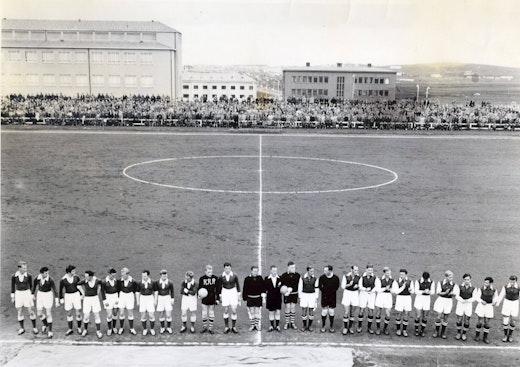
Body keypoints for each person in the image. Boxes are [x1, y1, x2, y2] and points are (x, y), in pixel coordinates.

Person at [11, 261, 38, 335]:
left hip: (27, 293)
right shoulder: (14, 276)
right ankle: (22, 328)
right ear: (19, 268)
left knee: (31, 311)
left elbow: (31, 286)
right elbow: (12, 287)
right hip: (18, 294)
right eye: (23, 268)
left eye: (26, 268)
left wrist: (32, 295)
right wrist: (13, 297)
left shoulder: (29, 275)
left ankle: (34, 327)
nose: (25, 269)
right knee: (19, 311)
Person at [32, 266, 59, 338]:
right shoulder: (37, 279)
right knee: (39, 313)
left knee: (48, 313)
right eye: (45, 273)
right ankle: (46, 324)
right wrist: (32, 295)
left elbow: (55, 290)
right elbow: (34, 287)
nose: (47, 274)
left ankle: (50, 331)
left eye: (48, 273)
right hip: (40, 295)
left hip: (48, 296)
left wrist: (56, 300)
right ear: (41, 273)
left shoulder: (50, 280)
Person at [433, 270, 458, 339]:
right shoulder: (440, 283)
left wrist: (451, 294)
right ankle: (436, 331)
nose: (451, 278)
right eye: (450, 277)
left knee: (446, 317)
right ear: (446, 277)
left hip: (448, 301)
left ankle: (443, 332)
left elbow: (455, 294)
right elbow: (438, 292)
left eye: (452, 277)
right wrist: (445, 293)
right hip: (441, 300)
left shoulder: (454, 284)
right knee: (439, 316)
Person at [78, 270, 103, 338]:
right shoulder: (84, 281)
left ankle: (98, 331)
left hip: (95, 299)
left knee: (96, 315)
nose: (85, 277)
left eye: (87, 276)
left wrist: (97, 293)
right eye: (85, 276)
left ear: (91, 276)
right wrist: (83, 293)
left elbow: (101, 285)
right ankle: (85, 330)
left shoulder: (97, 280)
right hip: (87, 299)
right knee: (86, 316)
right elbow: (78, 285)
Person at [59, 265, 83, 336]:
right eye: (73, 271)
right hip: (68, 296)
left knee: (78, 312)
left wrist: (81, 295)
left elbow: (79, 287)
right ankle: (70, 329)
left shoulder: (77, 277)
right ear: (69, 272)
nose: (75, 272)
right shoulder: (63, 280)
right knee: (69, 313)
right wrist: (61, 298)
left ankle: (79, 327)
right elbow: (60, 290)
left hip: (76, 295)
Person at [474, 276, 498, 344]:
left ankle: (485, 337)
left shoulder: (494, 289)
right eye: (485, 282)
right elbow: (477, 297)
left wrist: (494, 301)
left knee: (487, 323)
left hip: (489, 306)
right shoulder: (481, 289)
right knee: (480, 321)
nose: (485, 283)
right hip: (482, 306)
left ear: (490, 283)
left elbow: (496, 297)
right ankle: (477, 336)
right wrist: (481, 301)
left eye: (487, 283)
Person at [198, 265, 221, 334]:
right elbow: (199, 288)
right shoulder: (202, 279)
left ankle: (210, 328)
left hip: (212, 298)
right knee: (204, 313)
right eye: (208, 272)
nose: (210, 273)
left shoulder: (216, 278)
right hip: (204, 298)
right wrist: (199, 295)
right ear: (205, 272)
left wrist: (218, 299)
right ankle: (204, 327)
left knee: (211, 313)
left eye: (211, 272)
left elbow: (218, 289)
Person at [454, 273, 477, 341]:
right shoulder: (459, 286)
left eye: (468, 279)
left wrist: (467, 301)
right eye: (465, 279)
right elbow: (456, 295)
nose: (467, 281)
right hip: (460, 304)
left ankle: (464, 334)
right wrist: (462, 300)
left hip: (468, 305)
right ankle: (458, 333)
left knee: (467, 320)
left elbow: (474, 297)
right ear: (463, 280)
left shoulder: (473, 288)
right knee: (459, 319)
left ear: (470, 280)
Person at [318, 265, 340, 333]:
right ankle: (323, 325)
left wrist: (331, 292)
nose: (324, 272)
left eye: (325, 271)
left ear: (330, 271)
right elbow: (320, 286)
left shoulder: (336, 278)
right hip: (324, 297)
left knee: (331, 311)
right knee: (324, 311)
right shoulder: (322, 277)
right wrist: (325, 292)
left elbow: (337, 286)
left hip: (332, 297)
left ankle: (331, 326)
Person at [220, 262, 241, 334]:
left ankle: (233, 327)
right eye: (226, 268)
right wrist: (220, 296)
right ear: (224, 269)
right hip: (225, 292)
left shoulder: (235, 276)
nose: (227, 270)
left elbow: (238, 285)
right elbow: (219, 287)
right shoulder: (221, 276)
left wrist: (238, 296)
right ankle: (226, 327)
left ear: (230, 268)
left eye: (229, 268)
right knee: (226, 310)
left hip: (233, 292)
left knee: (234, 310)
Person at [242, 265, 265, 331]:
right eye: (254, 271)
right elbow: (245, 288)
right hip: (250, 298)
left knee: (257, 312)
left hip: (258, 298)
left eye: (257, 271)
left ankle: (256, 324)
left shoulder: (260, 278)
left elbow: (263, 287)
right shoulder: (247, 279)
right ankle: (252, 325)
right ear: (251, 271)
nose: (256, 272)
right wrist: (244, 298)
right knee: (252, 312)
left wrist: (263, 294)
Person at [357, 264, 379, 334]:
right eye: (369, 270)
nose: (370, 271)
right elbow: (360, 286)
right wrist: (365, 289)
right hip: (363, 294)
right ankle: (359, 326)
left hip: (372, 295)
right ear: (366, 270)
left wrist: (371, 290)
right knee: (361, 310)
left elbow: (377, 287)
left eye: (371, 270)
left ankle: (369, 327)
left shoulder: (375, 277)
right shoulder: (362, 277)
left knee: (371, 311)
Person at [497, 275, 519, 343]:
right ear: (509, 280)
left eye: (514, 281)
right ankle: (505, 335)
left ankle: (510, 335)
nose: (512, 282)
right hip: (507, 303)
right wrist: (497, 303)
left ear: (516, 281)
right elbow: (501, 295)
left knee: (513, 321)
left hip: (515, 304)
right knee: (505, 320)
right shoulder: (506, 287)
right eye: (511, 281)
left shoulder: (518, 288)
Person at [280, 261, 301, 330]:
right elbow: (281, 286)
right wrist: (285, 292)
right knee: (287, 307)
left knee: (293, 308)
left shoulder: (297, 275)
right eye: (292, 267)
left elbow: (300, 286)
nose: (293, 268)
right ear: (288, 268)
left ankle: (292, 322)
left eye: (294, 267)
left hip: (294, 294)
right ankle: (287, 323)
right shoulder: (284, 275)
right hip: (287, 294)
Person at [413, 271, 435, 337]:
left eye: (427, 279)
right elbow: (416, 291)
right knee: (418, 315)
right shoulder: (418, 281)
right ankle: (416, 330)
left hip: (427, 300)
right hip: (419, 299)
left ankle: (422, 330)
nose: (425, 280)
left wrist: (429, 292)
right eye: (424, 279)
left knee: (425, 316)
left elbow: (433, 292)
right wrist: (423, 291)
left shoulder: (431, 282)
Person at [136, 270, 157, 336]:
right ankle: (145, 329)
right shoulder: (139, 282)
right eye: (142, 276)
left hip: (150, 298)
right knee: (143, 315)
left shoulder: (153, 282)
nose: (143, 277)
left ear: (148, 275)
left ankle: (152, 329)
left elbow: (156, 291)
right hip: (142, 298)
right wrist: (138, 301)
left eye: (145, 276)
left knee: (151, 315)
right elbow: (137, 292)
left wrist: (155, 300)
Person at [393, 269, 413, 337]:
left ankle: (404, 330)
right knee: (399, 313)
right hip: (399, 298)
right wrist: (403, 287)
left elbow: (413, 291)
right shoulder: (396, 281)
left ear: (406, 274)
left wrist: (410, 290)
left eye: (403, 274)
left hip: (407, 298)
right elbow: (396, 292)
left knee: (406, 314)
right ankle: (398, 329)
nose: (401, 276)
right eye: (400, 274)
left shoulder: (410, 281)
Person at [298, 265, 319, 332]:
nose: (312, 272)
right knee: (304, 310)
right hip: (304, 295)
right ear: (307, 271)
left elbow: (316, 289)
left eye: (313, 271)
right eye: (311, 271)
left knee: (311, 310)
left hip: (312, 296)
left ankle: (310, 325)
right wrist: (300, 297)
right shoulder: (302, 278)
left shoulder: (315, 279)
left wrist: (316, 297)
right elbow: (300, 288)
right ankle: (304, 325)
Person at [117, 267, 137, 335]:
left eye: (124, 274)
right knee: (121, 312)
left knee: (130, 313)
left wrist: (130, 295)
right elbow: (118, 289)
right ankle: (121, 328)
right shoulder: (120, 281)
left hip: (130, 296)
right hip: (122, 295)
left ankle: (131, 328)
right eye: (122, 274)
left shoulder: (133, 281)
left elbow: (134, 290)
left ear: (127, 274)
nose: (122, 276)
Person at [341, 265, 360, 334]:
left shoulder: (359, 277)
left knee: (352, 312)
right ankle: (345, 327)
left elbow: (361, 286)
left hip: (355, 294)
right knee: (346, 312)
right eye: (355, 270)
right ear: (351, 270)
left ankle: (350, 327)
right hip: (347, 294)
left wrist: (357, 286)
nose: (356, 271)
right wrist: (349, 284)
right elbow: (343, 286)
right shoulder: (345, 276)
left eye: (357, 270)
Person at [374, 266, 394, 335]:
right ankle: (378, 328)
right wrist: (385, 288)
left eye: (390, 273)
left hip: (388, 297)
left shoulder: (393, 280)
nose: (389, 274)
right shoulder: (379, 279)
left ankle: (385, 328)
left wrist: (390, 290)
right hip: (380, 296)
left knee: (388, 314)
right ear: (384, 273)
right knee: (378, 312)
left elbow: (394, 290)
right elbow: (378, 289)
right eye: (387, 273)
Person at [101, 268, 120, 336]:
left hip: (115, 297)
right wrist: (105, 300)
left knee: (115, 313)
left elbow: (118, 290)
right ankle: (109, 328)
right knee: (109, 315)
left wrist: (118, 299)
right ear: (109, 274)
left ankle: (114, 327)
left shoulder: (116, 281)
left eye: (114, 275)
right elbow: (102, 292)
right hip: (108, 298)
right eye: (112, 275)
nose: (113, 277)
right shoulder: (104, 282)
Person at [264, 265, 283, 332]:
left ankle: (277, 326)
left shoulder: (280, 278)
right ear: (270, 271)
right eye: (273, 271)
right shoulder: (266, 278)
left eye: (276, 271)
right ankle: (271, 326)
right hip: (270, 298)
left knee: (278, 312)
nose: (275, 272)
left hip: (278, 298)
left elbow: (283, 288)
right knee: (271, 312)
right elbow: (264, 289)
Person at [156, 269, 174, 334]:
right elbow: (156, 291)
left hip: (167, 298)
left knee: (168, 314)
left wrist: (172, 299)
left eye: (166, 276)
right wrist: (156, 300)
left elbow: (172, 291)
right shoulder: (157, 282)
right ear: (160, 276)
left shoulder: (170, 282)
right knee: (161, 314)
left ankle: (168, 327)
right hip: (160, 298)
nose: (165, 277)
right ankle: (162, 327)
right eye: (163, 276)